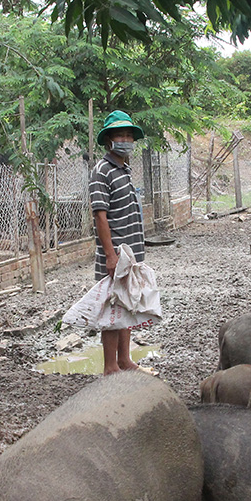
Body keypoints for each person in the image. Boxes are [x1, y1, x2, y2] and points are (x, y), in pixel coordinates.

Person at [89, 109, 155, 376]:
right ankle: (110, 366)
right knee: (112, 308)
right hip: (115, 253)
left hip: (131, 252)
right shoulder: (102, 170)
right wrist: (110, 255)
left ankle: (125, 360)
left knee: (127, 303)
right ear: (109, 140)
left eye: (129, 135)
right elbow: (100, 215)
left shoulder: (124, 168)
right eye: (120, 135)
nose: (126, 139)